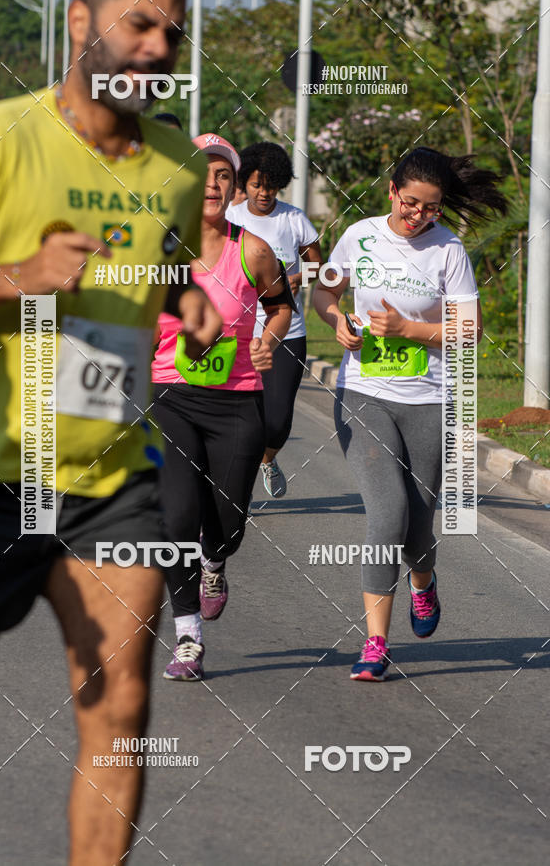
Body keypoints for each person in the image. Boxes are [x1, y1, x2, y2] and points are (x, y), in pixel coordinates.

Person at [0, 0, 221, 863]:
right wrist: (10, 280)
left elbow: (158, 262)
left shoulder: (180, 167)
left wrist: (184, 297)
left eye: (173, 34)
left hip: (115, 481)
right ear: (77, 23)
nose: (157, 48)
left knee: (121, 707)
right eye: (138, 25)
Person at [314, 147, 507, 681]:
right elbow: (324, 288)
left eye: (432, 208)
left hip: (430, 400)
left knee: (419, 523)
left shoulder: (449, 251)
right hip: (364, 393)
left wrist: (410, 331)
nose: (419, 215)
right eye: (411, 203)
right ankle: (376, 642)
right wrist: (335, 320)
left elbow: (470, 330)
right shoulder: (360, 234)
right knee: (388, 512)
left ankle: (424, 583)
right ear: (392, 190)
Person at [152, 133, 292, 681]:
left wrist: (271, 337)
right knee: (177, 517)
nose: (211, 185)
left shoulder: (252, 249)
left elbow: (281, 306)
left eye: (222, 177)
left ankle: (215, 562)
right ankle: (188, 637)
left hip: (236, 402)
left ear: (234, 186)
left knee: (228, 524)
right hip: (171, 398)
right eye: (200, 175)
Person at [227, 141, 323, 498]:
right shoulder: (232, 220)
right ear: (244, 184)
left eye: (270, 186)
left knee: (278, 420)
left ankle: (268, 459)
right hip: (237, 334)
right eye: (256, 185)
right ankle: (236, 490)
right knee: (242, 422)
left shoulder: (293, 219)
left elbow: (317, 263)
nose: (264, 193)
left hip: (288, 332)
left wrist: (300, 278)